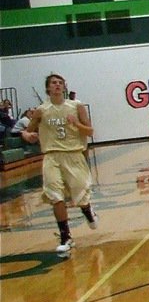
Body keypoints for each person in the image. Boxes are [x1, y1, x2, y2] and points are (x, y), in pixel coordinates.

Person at [20, 73, 97, 256]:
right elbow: (26, 131)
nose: (57, 85)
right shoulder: (41, 110)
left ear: (64, 87)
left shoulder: (76, 106)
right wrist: (27, 136)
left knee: (80, 196)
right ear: (48, 88)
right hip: (51, 156)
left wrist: (76, 123)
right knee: (56, 196)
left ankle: (88, 211)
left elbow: (90, 131)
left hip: (74, 155)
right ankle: (65, 236)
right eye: (53, 83)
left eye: (60, 83)